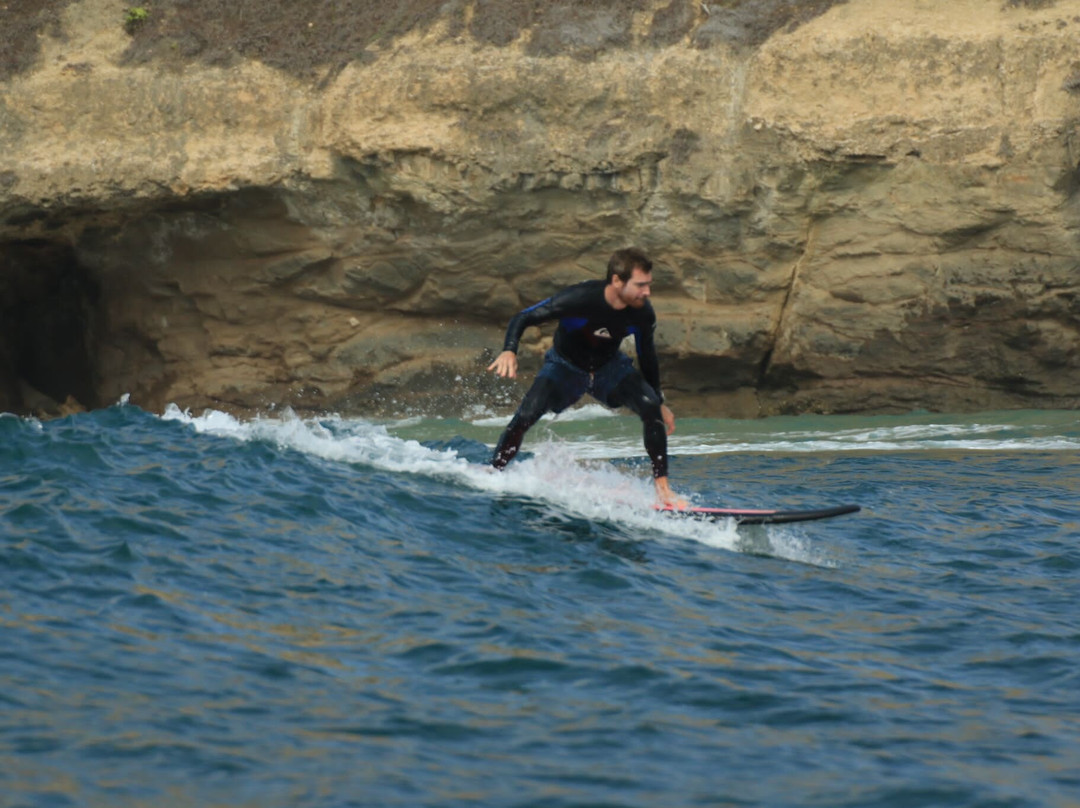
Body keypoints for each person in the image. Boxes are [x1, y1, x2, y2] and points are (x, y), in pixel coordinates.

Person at [487, 247, 682, 505]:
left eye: (649, 285)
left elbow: (647, 356)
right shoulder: (579, 299)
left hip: (610, 369)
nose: (647, 292)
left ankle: (663, 490)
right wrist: (509, 351)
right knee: (526, 415)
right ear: (616, 281)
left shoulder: (642, 313)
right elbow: (524, 317)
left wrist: (658, 400)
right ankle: (494, 474)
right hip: (564, 367)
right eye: (641, 285)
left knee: (649, 407)